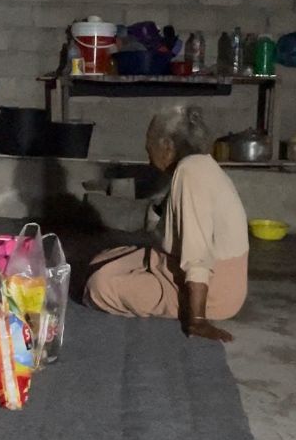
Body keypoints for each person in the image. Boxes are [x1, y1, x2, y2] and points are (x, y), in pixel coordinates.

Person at [84, 106, 249, 342]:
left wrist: (198, 320)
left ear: (167, 145)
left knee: (100, 287)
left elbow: (198, 255)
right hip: (174, 264)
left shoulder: (190, 172)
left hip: (214, 291)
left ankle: (188, 306)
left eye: (149, 146)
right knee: (101, 260)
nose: (148, 156)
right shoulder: (198, 165)